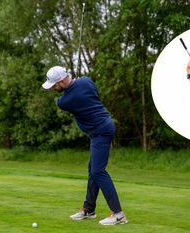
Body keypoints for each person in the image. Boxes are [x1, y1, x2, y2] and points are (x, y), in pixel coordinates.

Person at [42, 66, 127, 225]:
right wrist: (76, 82)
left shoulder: (64, 101)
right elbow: (84, 88)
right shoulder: (87, 80)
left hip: (100, 131)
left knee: (98, 171)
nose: (53, 88)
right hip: (103, 128)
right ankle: (89, 210)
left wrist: (71, 87)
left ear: (61, 81)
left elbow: (62, 99)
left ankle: (118, 214)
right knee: (93, 170)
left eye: (54, 85)